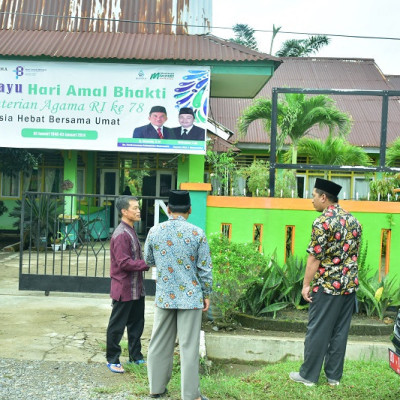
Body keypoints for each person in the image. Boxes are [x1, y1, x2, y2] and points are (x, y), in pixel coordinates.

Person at [289, 178, 362, 387]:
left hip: (327, 287)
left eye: (313, 195)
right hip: (348, 287)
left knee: (318, 329)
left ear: (323, 197)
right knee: (340, 331)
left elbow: (314, 257)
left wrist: (305, 285)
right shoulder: (353, 221)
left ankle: (308, 376)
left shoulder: (322, 222)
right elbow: (354, 254)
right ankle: (333, 377)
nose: (311, 200)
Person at [144, 190, 212, 400]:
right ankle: (191, 395)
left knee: (159, 342)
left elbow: (148, 259)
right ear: (189, 210)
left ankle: (156, 388)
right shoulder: (197, 233)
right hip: (191, 298)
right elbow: (205, 269)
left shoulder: (154, 231)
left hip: (165, 296)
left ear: (169, 210)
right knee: (188, 347)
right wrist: (206, 294)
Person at [106, 196, 150, 373]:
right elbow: (124, 263)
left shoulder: (130, 230)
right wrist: (147, 264)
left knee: (136, 324)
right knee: (117, 326)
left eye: (138, 207)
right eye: (135, 208)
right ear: (124, 211)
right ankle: (112, 358)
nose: (138, 210)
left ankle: (136, 357)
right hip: (124, 288)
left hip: (136, 289)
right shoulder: (121, 234)